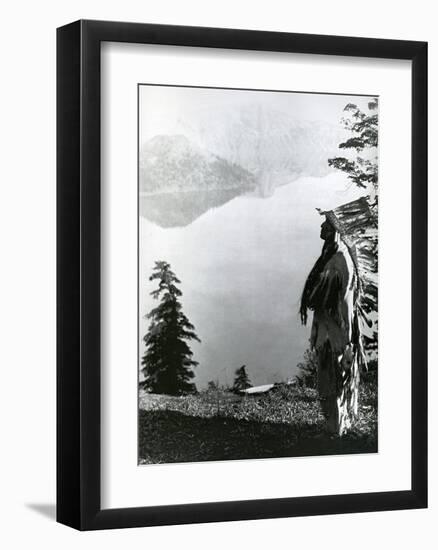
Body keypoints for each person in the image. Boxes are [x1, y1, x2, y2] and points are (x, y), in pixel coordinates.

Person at [300, 213, 365, 436]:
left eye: (326, 223)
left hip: (334, 335)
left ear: (336, 229)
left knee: (332, 381)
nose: (321, 225)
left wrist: (346, 341)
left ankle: (335, 431)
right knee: (337, 380)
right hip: (336, 332)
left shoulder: (337, 260)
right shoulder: (337, 255)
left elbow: (325, 299)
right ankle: (339, 427)